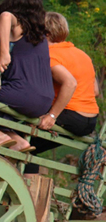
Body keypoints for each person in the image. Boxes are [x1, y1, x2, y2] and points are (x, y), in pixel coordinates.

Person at [0, 0, 55, 151]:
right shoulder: (39, 35)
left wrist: (4, 52)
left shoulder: (16, 24)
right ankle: (16, 140)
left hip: (22, 93)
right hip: (44, 101)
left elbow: (5, 16)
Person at [23, 12, 100, 173]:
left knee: (22, 139)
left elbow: (70, 83)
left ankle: (22, 186)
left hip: (70, 116)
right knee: (31, 145)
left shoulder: (49, 55)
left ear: (47, 34)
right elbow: (95, 91)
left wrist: (52, 116)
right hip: (90, 120)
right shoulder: (82, 54)